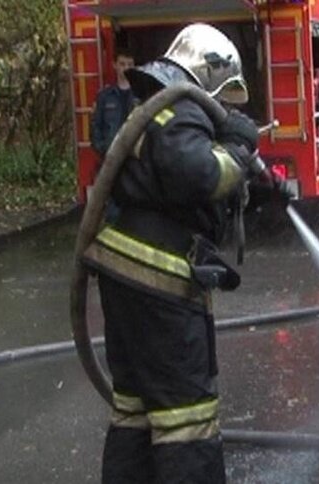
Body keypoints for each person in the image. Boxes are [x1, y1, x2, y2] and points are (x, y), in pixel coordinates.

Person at [82, 24, 291, 484]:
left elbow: (179, 183)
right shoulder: (180, 107)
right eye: (225, 96)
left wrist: (260, 184)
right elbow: (198, 174)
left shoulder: (156, 109)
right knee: (186, 415)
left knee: (136, 408)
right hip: (159, 282)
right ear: (211, 77)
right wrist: (238, 146)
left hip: (125, 276)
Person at [91, 48, 137, 162]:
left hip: (135, 157)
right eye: (122, 64)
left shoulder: (141, 95)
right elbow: (95, 126)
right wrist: (103, 149)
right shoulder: (104, 96)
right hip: (110, 157)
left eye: (130, 64)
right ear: (114, 65)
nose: (126, 68)